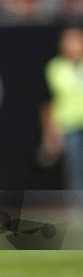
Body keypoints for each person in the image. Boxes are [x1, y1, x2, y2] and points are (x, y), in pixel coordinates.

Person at [41, 28, 83, 195]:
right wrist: (50, 132)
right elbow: (49, 102)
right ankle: (78, 209)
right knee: (74, 168)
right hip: (68, 126)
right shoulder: (55, 67)